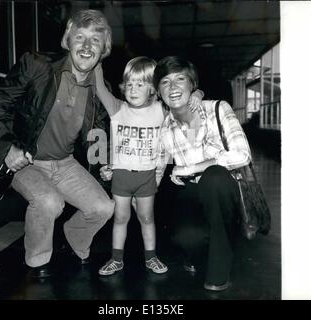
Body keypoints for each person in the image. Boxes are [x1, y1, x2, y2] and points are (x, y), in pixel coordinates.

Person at [0, 9, 115, 278]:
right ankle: (37, 262)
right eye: (79, 37)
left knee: (104, 207)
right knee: (48, 202)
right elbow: (0, 104)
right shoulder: (37, 65)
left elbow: (98, 133)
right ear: (67, 40)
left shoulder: (101, 89)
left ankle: (75, 237)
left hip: (65, 163)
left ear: (104, 48)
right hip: (27, 160)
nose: (87, 45)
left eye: (95, 39)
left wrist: (104, 165)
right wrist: (8, 146)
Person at [94, 57, 204, 276]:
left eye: (141, 84)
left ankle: (151, 257)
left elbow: (182, 105)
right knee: (120, 218)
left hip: (147, 176)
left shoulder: (160, 110)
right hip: (122, 176)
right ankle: (116, 259)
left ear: (153, 89)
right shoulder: (117, 108)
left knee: (147, 218)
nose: (133, 89)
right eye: (130, 84)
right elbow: (98, 87)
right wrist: (97, 60)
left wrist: (197, 93)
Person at [153, 56, 251, 291]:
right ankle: (199, 252)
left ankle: (218, 274)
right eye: (165, 82)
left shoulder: (218, 108)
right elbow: (156, 168)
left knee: (214, 176)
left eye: (180, 79)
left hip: (225, 188)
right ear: (158, 92)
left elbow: (242, 155)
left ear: (192, 84)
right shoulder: (165, 128)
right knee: (185, 237)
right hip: (193, 191)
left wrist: (191, 168)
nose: (173, 87)